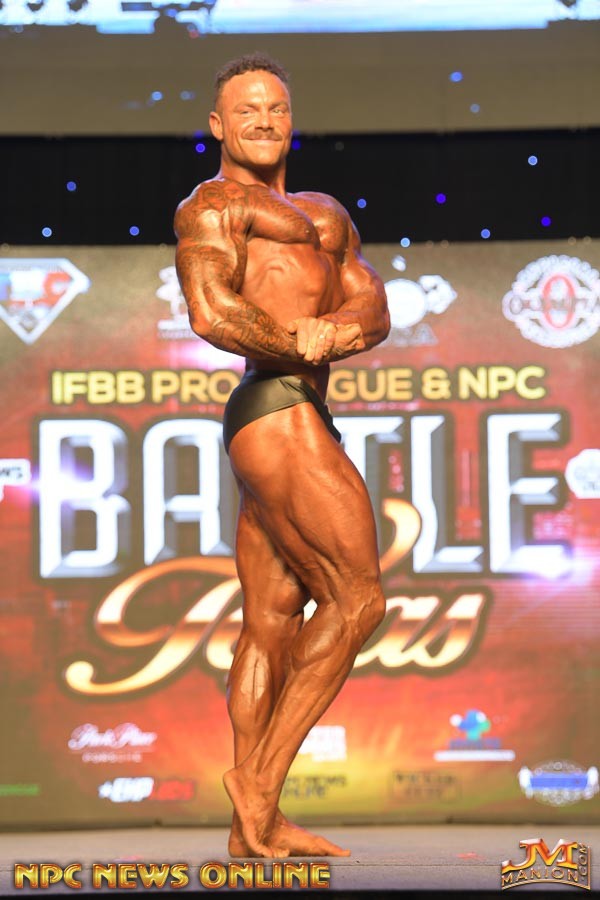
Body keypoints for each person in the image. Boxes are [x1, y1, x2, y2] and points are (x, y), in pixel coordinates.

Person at [174, 52, 391, 859]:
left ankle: (250, 831)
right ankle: (259, 784)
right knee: (358, 600)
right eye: (247, 110)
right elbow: (211, 311)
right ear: (218, 126)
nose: (264, 121)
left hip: (292, 408)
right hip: (277, 408)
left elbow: (373, 305)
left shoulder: (326, 213)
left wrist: (334, 332)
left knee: (270, 623)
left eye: (276, 109)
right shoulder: (214, 204)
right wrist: (296, 344)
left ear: (291, 121)